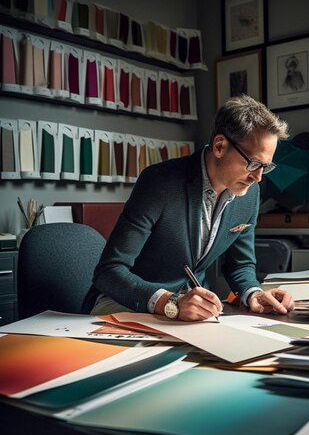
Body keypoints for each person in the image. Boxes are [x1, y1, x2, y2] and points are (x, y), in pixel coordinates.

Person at [84, 95, 294, 321]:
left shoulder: (248, 193)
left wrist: (253, 293)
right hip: (125, 303)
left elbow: (240, 265)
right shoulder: (159, 182)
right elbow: (109, 272)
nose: (258, 177)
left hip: (190, 312)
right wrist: (169, 302)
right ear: (220, 146)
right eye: (253, 164)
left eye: (265, 166)